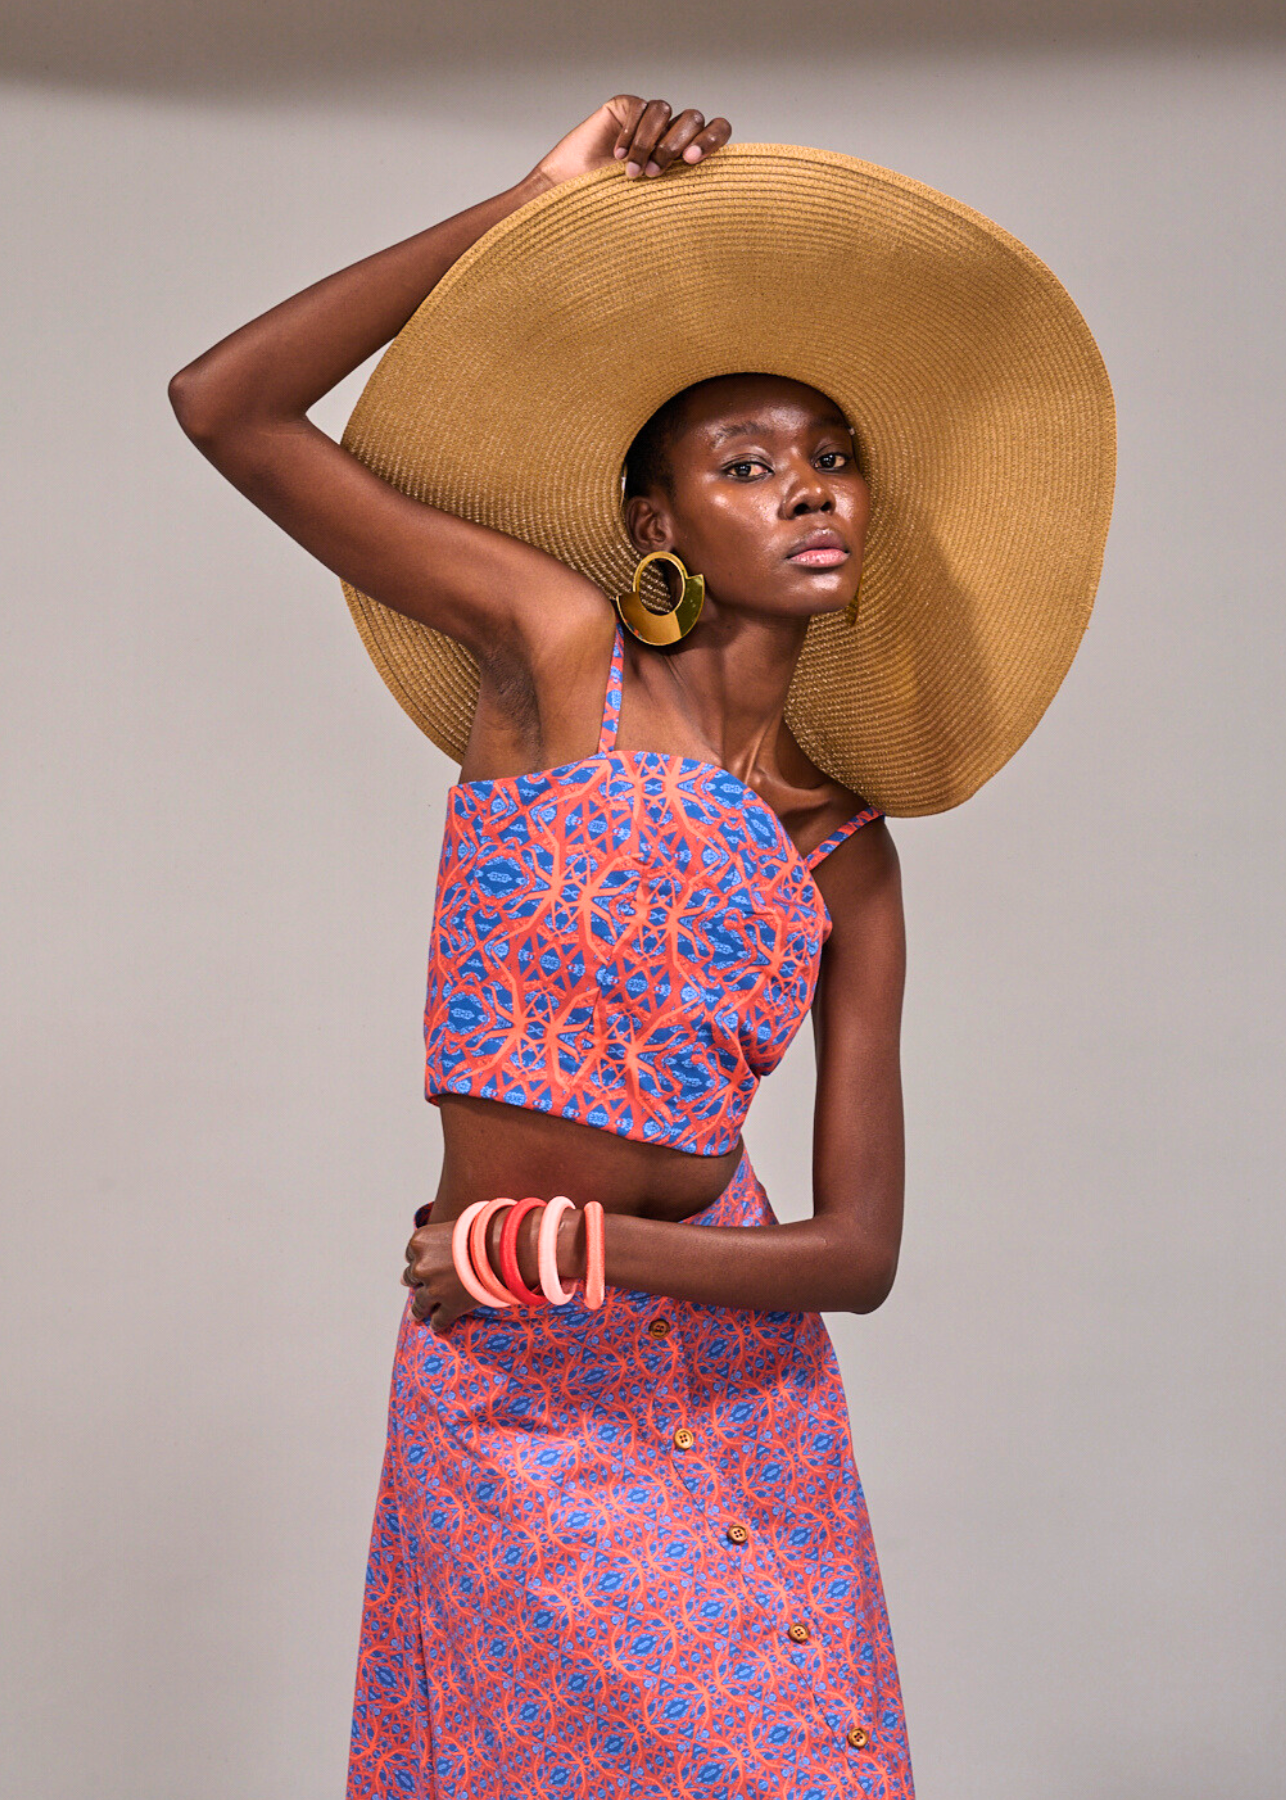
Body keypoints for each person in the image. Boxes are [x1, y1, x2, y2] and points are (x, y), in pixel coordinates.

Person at [169, 92, 1113, 1800]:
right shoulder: (553, 655)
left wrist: (561, 1248)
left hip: (715, 1369)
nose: (807, 490)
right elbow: (224, 407)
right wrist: (527, 206)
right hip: (510, 1392)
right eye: (745, 465)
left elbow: (857, 1253)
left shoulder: (846, 843)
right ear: (658, 523)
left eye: (827, 457)